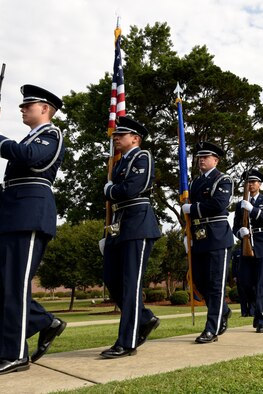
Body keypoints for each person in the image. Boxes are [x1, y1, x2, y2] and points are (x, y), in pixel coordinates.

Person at [0, 85, 67, 377]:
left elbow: (32, 160)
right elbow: (20, 179)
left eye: (29, 105)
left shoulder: (52, 135)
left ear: (45, 109)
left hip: (30, 217)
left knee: (15, 285)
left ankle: (14, 354)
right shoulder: (31, 137)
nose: (22, 109)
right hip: (11, 216)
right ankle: (43, 321)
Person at [99, 116, 162, 358]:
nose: (115, 138)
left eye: (121, 135)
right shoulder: (120, 163)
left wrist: (109, 190)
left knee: (131, 283)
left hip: (138, 225)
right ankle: (144, 318)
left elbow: (130, 190)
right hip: (119, 226)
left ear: (135, 138)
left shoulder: (141, 156)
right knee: (111, 277)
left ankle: (127, 341)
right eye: (115, 135)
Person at [182, 141, 234, 343]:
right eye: (199, 157)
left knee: (215, 284)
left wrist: (193, 209)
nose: (201, 160)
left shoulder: (223, 179)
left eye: (206, 157)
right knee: (200, 282)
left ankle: (211, 328)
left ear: (216, 160)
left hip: (217, 236)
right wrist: (187, 234)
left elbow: (218, 204)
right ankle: (224, 310)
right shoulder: (194, 183)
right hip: (199, 237)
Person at [232, 169, 263, 333]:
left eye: (253, 181)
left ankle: (260, 319)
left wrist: (253, 210)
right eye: (248, 182)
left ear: (259, 184)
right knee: (244, 282)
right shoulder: (240, 204)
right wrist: (240, 233)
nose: (250, 184)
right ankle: (254, 310)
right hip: (246, 246)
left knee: (261, 285)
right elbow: (235, 227)